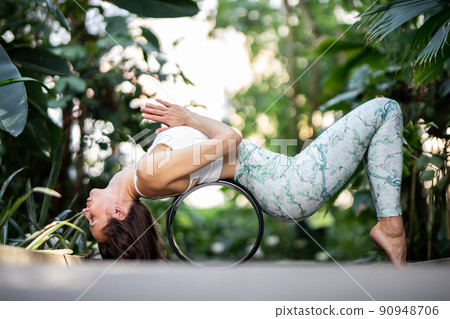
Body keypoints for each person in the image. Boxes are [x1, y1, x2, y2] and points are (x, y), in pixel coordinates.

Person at [83, 97, 407, 266]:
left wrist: (184, 123)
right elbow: (230, 139)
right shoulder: (149, 174)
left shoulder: (147, 172)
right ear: (119, 212)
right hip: (289, 186)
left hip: (286, 182)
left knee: (384, 112)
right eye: (94, 219)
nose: (87, 212)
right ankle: (390, 227)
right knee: (385, 110)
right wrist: (188, 119)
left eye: (90, 218)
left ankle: (390, 227)